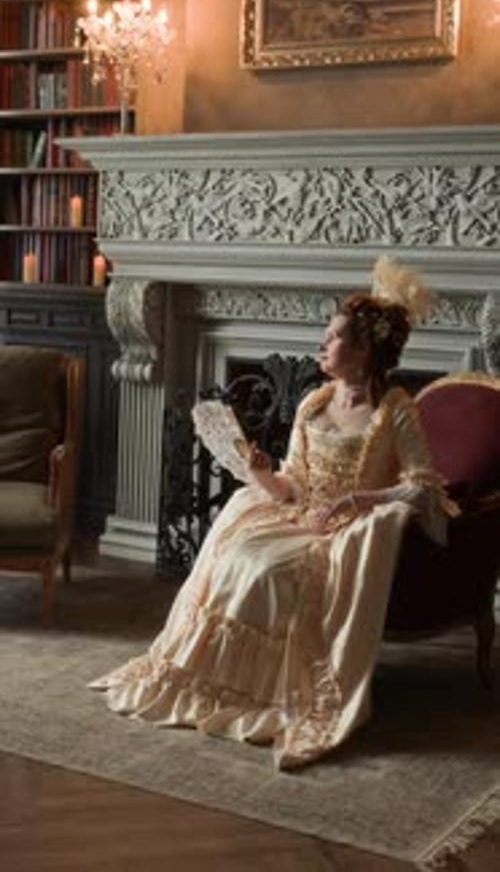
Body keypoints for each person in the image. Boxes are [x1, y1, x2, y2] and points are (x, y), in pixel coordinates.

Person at [90, 255, 458, 770]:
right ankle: (212, 680)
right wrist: (260, 471)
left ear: (363, 350)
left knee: (267, 568)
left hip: (345, 528)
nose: (320, 345)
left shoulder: (394, 410)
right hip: (297, 512)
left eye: (331, 339)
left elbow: (422, 486)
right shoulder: (313, 402)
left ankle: (273, 692)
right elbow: (293, 483)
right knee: (234, 549)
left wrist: (360, 502)